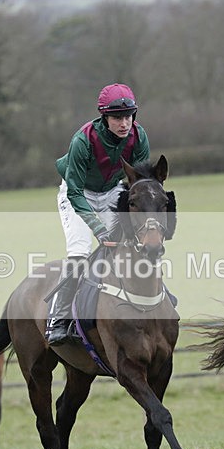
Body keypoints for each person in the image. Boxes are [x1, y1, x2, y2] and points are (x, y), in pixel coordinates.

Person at [46, 83, 151, 346]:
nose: (124, 123)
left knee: (134, 246)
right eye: (117, 118)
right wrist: (99, 228)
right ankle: (58, 319)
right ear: (104, 117)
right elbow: (75, 194)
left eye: (128, 116)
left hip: (112, 191)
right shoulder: (83, 140)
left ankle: (149, 301)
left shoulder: (139, 137)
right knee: (81, 254)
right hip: (78, 194)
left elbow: (138, 184)